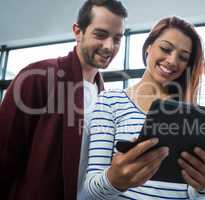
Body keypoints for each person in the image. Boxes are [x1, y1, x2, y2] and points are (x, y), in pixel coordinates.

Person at [0, 0, 127, 199]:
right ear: (78, 31)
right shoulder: (38, 76)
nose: (109, 46)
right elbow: (4, 153)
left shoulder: (105, 96)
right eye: (100, 35)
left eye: (117, 38)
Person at [83, 16, 205, 199]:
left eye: (183, 57)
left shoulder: (193, 115)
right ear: (148, 46)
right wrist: (114, 180)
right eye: (166, 48)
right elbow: (91, 190)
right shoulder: (110, 100)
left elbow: (198, 195)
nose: (172, 61)